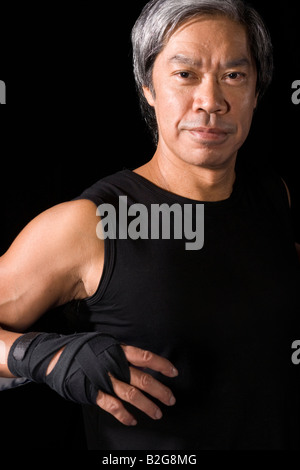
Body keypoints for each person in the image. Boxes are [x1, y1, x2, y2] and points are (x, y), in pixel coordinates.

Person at [1, 0, 300, 450]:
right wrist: (37, 355)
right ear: (148, 86)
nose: (212, 101)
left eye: (234, 76)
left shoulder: (274, 196)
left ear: (257, 90)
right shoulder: (89, 224)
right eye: (186, 74)